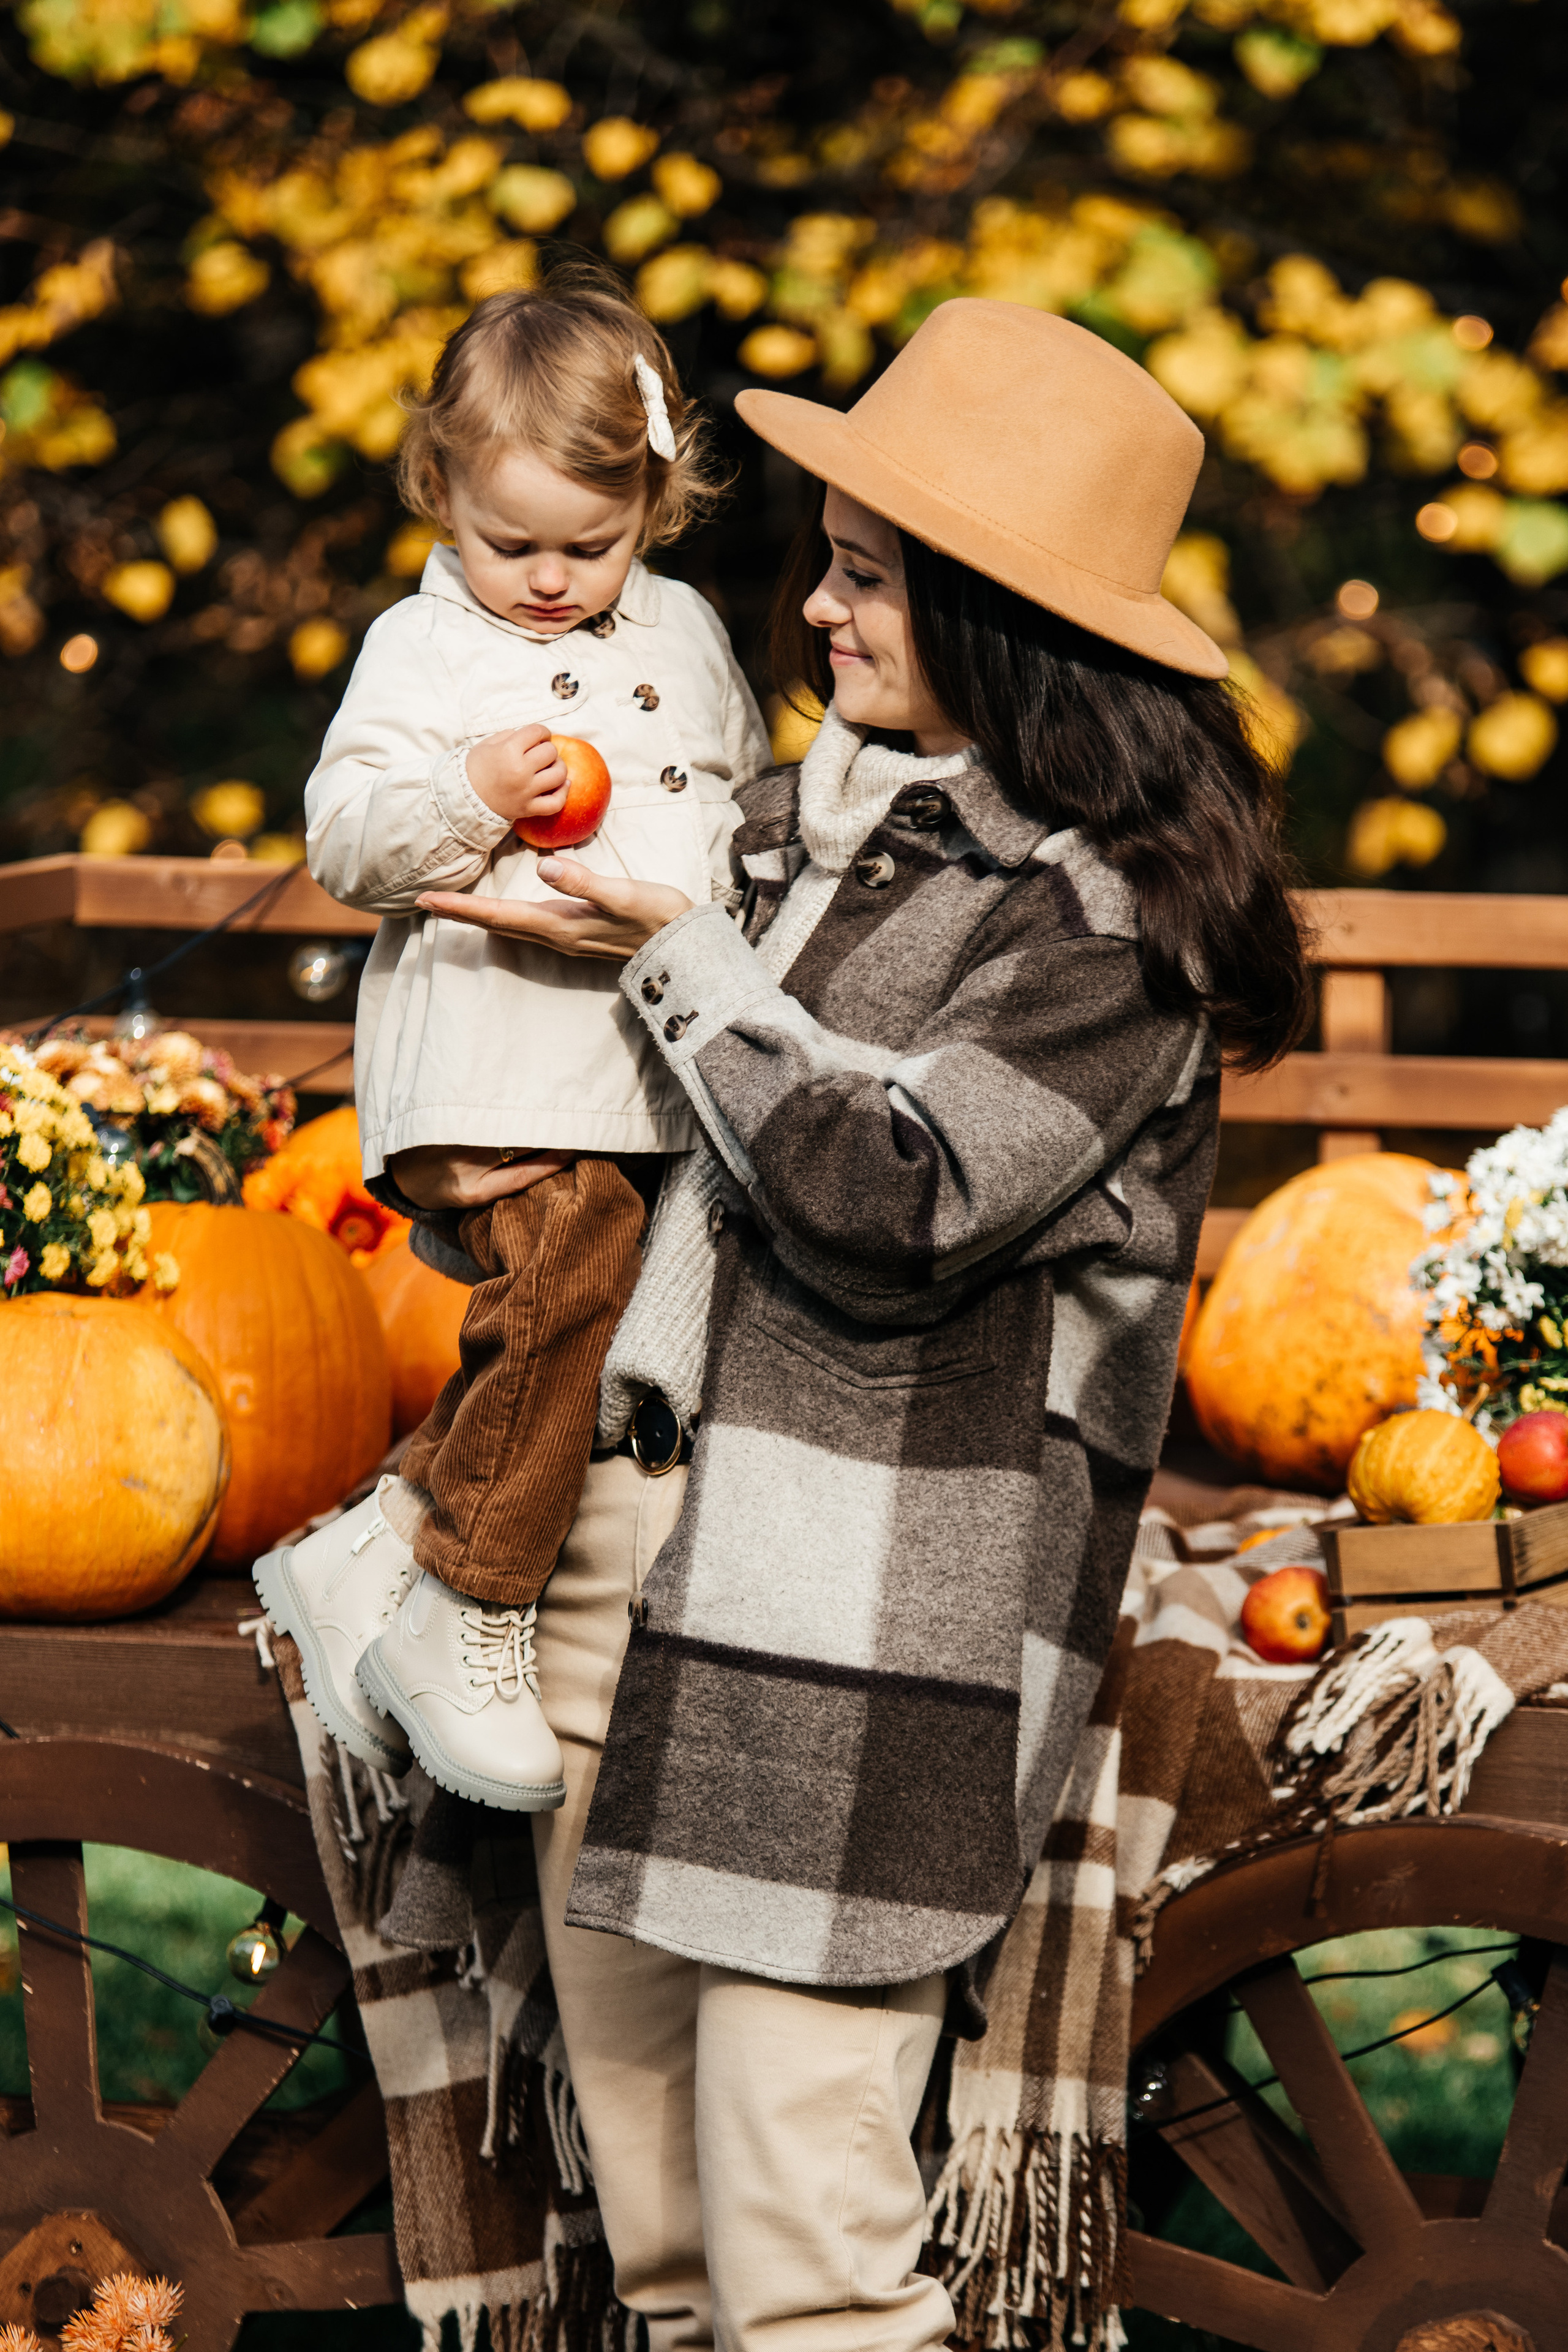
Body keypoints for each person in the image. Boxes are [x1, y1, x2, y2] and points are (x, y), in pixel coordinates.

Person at [408, 298, 1311, 2351]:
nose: (812, 606)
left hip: (857, 1618)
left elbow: (886, 1197)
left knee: (808, 2267)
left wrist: (680, 957)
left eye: (870, 578)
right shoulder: (785, 827)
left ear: (998, 622)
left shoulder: (1097, 928)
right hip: (621, 1574)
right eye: (825, 558)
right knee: (655, 2252)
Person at [254, 278, 769, 1812]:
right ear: (440, 494)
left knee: (597, 1322)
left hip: (637, 1080)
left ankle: (378, 1538)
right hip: (483, 1061)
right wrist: (472, 786)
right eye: (509, 543)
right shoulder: (420, 652)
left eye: (587, 545)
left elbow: (739, 804)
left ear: (657, 503)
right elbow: (346, 842)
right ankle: (465, 1609)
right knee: (563, 1279)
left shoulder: (682, 630)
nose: (547, 580)